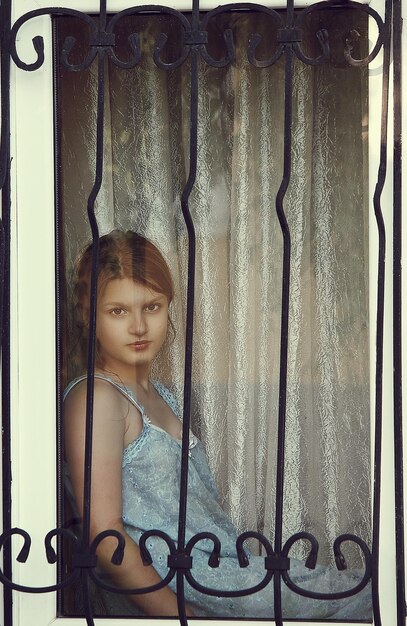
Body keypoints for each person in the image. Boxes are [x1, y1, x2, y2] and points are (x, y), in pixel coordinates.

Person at [64, 229, 371, 619]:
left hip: (219, 573)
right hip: (181, 586)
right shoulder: (97, 397)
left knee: (363, 593)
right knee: (362, 597)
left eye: (153, 307)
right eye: (118, 311)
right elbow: (105, 539)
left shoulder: (156, 394)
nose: (139, 326)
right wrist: (185, 617)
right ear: (88, 315)